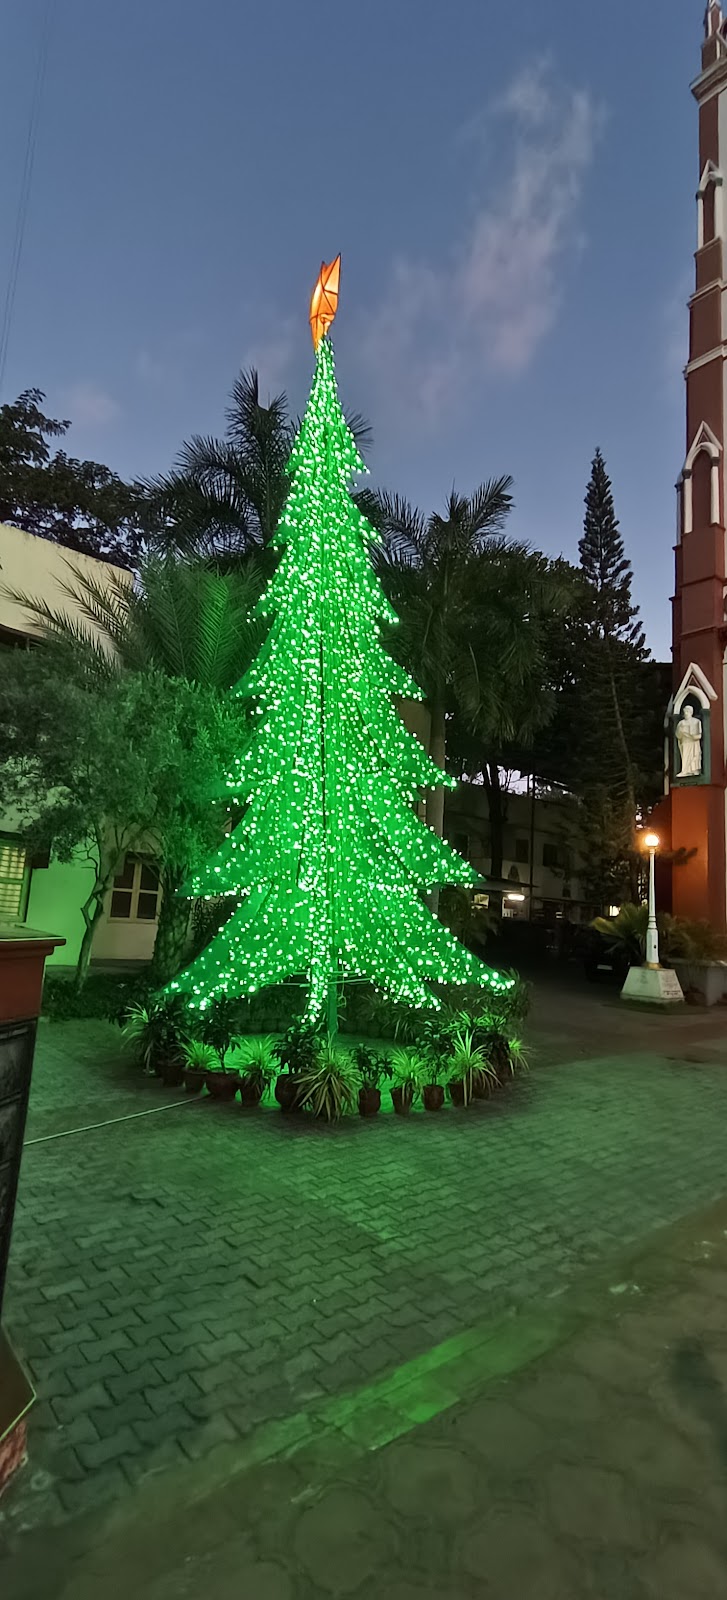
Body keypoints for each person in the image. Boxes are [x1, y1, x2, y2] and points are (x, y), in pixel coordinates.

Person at [676, 702, 702, 778]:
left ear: (691, 712)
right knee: (685, 756)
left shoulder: (696, 721)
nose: (686, 714)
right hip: (685, 742)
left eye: (687, 712)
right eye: (685, 712)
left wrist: (693, 736)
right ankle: (685, 771)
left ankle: (694, 770)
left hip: (693, 742)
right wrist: (681, 732)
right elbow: (677, 735)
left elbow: (699, 734)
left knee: (694, 755)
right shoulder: (681, 723)